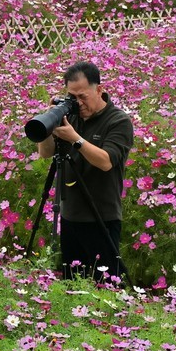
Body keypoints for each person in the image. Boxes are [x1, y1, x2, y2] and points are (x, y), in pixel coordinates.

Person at [34, 61, 134, 283]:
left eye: (83, 96)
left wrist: (75, 139)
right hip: (70, 216)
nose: (78, 103)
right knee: (72, 284)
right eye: (72, 96)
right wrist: (49, 124)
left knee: (106, 285)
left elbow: (106, 161)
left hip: (102, 217)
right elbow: (46, 153)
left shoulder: (118, 121)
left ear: (99, 89)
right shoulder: (71, 116)